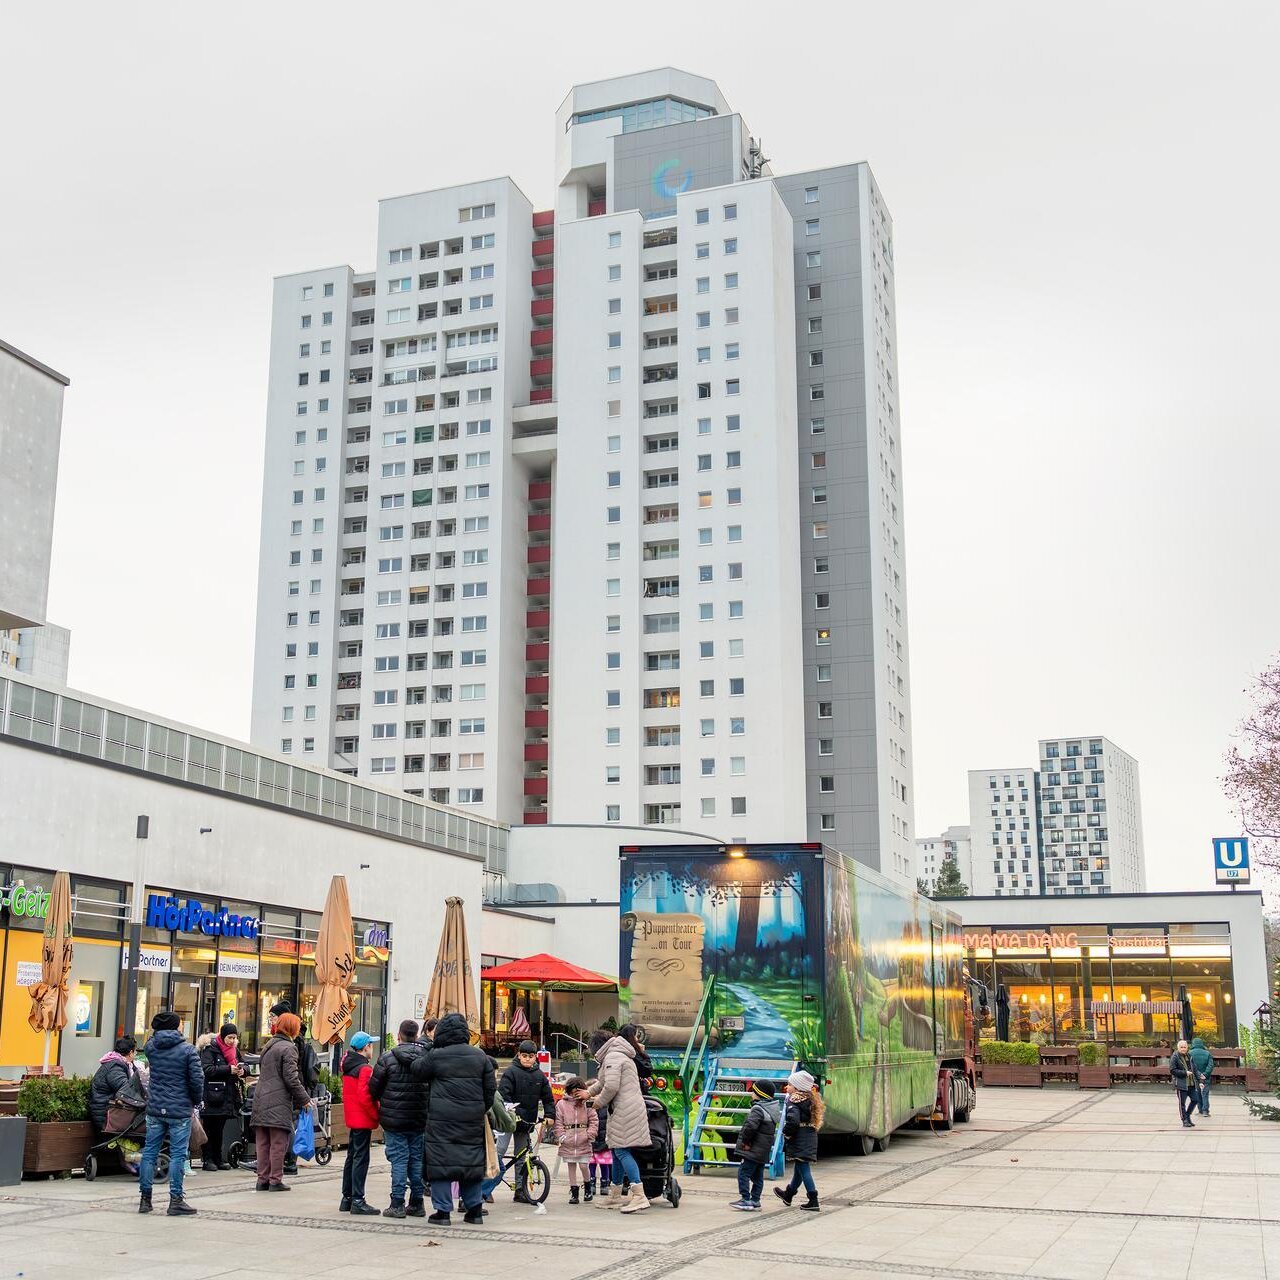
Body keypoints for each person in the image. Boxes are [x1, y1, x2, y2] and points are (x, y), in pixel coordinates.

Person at [410, 1010, 495, 1225]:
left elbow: (416, 1069)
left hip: (441, 1120)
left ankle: (443, 1212)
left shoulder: (436, 1055)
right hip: (472, 1120)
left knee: (441, 1166)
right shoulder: (480, 1057)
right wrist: (479, 1108)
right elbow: (490, 1090)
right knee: (471, 1165)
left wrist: (430, 1047)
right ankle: (474, 1211)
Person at [138, 1011, 204, 1216]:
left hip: (156, 1107)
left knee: (149, 1152)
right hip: (179, 1109)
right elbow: (197, 1080)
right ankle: (175, 1200)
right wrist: (195, 1100)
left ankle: (145, 1199)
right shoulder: (188, 1050)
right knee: (177, 1154)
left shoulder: (151, 1047)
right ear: (177, 1027)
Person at [369, 1019, 429, 1219]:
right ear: (417, 1034)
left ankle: (397, 1203)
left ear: (399, 1035)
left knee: (399, 1159)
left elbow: (374, 1088)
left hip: (394, 1119)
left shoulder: (387, 1059)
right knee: (416, 1158)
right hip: (419, 1117)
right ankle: (417, 1202)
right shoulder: (427, 1059)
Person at [587, 1028, 651, 1213]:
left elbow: (611, 1086)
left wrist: (597, 1103)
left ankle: (639, 1195)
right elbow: (604, 1082)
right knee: (616, 1152)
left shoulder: (613, 1056)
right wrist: (588, 1092)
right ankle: (615, 1196)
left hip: (625, 1109)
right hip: (627, 1108)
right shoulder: (617, 1053)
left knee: (622, 1151)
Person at [250, 1011, 314, 1191]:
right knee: (279, 1143)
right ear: (292, 1028)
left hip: (261, 1098)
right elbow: (291, 1078)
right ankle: (275, 1180)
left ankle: (262, 1180)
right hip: (278, 1101)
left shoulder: (269, 1046)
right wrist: (305, 1099)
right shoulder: (288, 1048)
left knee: (263, 1143)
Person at [499, 1038, 556, 1203]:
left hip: (526, 1122)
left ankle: (520, 1190)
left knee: (521, 1157)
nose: (527, 1059)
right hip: (508, 1120)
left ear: (535, 1057)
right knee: (499, 1152)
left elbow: (548, 1098)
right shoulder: (510, 1072)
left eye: (531, 1056)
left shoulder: (540, 1076)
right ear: (518, 1055)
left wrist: (550, 1115)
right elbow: (504, 1095)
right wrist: (512, 1112)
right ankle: (487, 1188)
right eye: (524, 1056)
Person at [338, 1031, 381, 1214]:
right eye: (371, 1045)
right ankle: (358, 1199)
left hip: (352, 1118)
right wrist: (376, 1115)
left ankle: (347, 1198)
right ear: (365, 1048)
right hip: (362, 1119)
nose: (372, 1048)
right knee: (361, 1159)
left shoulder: (348, 1066)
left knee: (352, 1157)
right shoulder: (364, 1069)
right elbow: (366, 1098)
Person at [90, 1035, 141, 1173]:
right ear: (130, 1052)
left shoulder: (120, 1064)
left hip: (111, 1109)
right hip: (106, 1113)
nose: (135, 1055)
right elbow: (125, 1089)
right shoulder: (115, 1066)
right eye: (134, 1052)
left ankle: (134, 1158)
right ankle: (136, 1159)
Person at [773, 1069, 823, 1211]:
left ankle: (813, 1200)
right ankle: (788, 1194)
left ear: (797, 1087)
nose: (786, 1087)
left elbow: (793, 1121)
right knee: (799, 1169)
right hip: (809, 1136)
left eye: (789, 1085)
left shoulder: (793, 1100)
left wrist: (786, 1133)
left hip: (800, 1138)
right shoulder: (810, 1099)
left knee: (803, 1169)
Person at [197, 1023, 244, 1171]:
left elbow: (244, 1064)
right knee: (210, 1128)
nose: (232, 1040)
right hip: (212, 1095)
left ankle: (218, 1158)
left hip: (227, 1095)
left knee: (220, 1128)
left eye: (234, 1037)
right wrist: (228, 1069)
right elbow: (207, 1069)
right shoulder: (210, 1048)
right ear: (223, 1036)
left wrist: (243, 1071)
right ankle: (208, 1159)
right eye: (230, 1037)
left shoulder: (234, 1050)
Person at [730, 1080, 780, 1211]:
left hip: (752, 1148)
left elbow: (750, 1127)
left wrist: (746, 1142)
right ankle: (756, 1200)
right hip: (763, 1150)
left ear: (759, 1094)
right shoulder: (771, 1109)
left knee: (743, 1173)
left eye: (753, 1091)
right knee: (758, 1176)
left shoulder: (758, 1109)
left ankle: (745, 1199)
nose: (751, 1094)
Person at [554, 1076, 598, 1203]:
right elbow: (558, 1122)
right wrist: (562, 1136)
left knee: (584, 1165)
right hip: (568, 1141)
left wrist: (589, 1135)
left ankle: (588, 1187)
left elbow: (594, 1120)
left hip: (583, 1140)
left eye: (577, 1091)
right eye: (572, 1092)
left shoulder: (587, 1103)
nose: (574, 1095)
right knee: (571, 1166)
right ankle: (574, 1192)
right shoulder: (561, 1104)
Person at [618, 1024, 655, 1095]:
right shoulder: (631, 1052)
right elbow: (647, 1070)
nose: (637, 1039)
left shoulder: (617, 1049)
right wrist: (642, 1053)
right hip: (632, 1093)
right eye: (636, 1036)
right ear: (631, 1037)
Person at [1170, 1039, 1198, 1128]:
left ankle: (1187, 1115)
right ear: (1178, 1048)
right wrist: (1185, 1073)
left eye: (1184, 1047)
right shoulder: (1175, 1056)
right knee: (1182, 1103)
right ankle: (1184, 1120)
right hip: (1181, 1084)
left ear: (1187, 1048)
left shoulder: (1189, 1056)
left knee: (1195, 1099)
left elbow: (1195, 1069)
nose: (1183, 1049)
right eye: (1181, 1047)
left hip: (1191, 1083)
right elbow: (1172, 1070)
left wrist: (1200, 1078)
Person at [1190, 1036, 1215, 1116]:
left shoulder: (1190, 1053)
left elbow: (1190, 1065)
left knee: (1197, 1093)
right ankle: (1205, 1111)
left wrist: (1198, 1074)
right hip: (1206, 1078)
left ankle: (1200, 1110)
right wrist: (1205, 1074)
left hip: (1195, 1077)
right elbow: (1210, 1065)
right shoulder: (1207, 1053)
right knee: (1205, 1094)